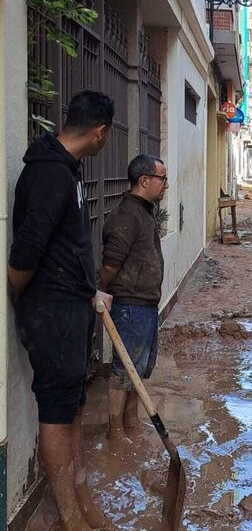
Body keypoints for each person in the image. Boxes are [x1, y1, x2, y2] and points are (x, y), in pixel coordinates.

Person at [8, 91, 136, 531]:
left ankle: (85, 506)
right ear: (100, 132)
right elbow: (25, 253)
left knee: (75, 404)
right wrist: (27, 296)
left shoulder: (67, 170)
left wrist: (87, 290)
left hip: (72, 306)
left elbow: (65, 246)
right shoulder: (47, 174)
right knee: (58, 411)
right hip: (51, 312)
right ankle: (69, 527)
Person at [100, 154, 167, 442]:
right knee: (123, 370)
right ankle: (115, 429)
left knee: (137, 369)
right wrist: (101, 292)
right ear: (144, 181)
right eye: (162, 179)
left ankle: (131, 420)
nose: (166, 185)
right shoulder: (127, 215)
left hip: (145, 305)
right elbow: (111, 263)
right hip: (130, 306)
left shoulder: (144, 210)